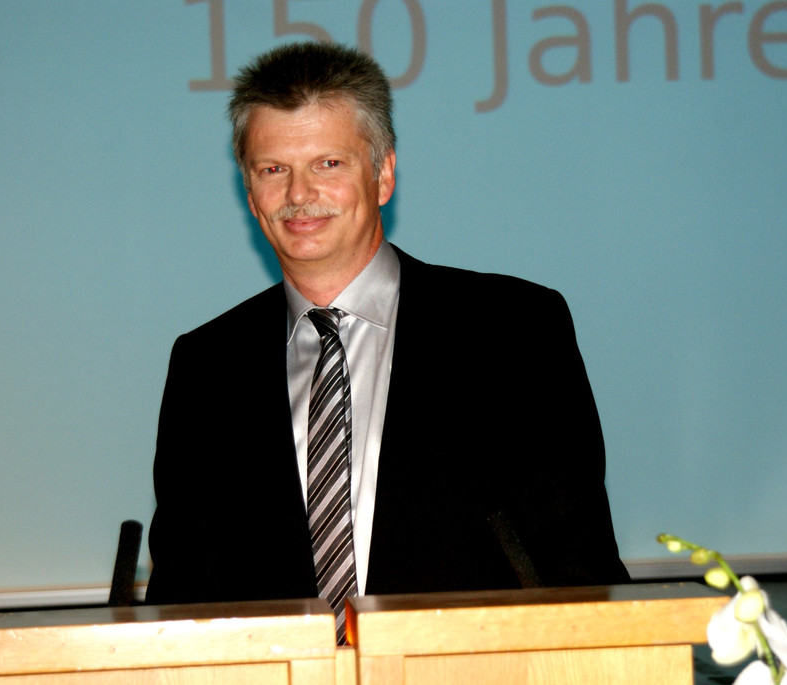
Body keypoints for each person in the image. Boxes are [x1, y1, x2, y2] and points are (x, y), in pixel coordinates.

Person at [145, 41, 629, 636]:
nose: (298, 195)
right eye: (274, 170)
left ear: (383, 174)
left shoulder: (514, 330)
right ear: (250, 193)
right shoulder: (206, 366)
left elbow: (579, 567)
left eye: (328, 164)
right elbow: (181, 599)